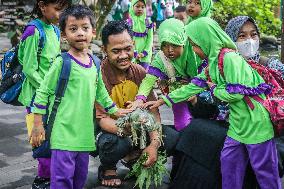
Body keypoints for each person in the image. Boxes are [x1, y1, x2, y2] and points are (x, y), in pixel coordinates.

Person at [144, 17, 282, 189]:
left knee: (264, 170)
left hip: (256, 123)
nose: (193, 50)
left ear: (206, 40)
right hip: (238, 124)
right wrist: (162, 101)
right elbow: (194, 85)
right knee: (229, 162)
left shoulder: (230, 58)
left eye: (195, 44)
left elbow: (237, 92)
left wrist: (215, 89)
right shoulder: (214, 62)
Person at [30, 5, 131, 189]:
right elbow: (43, 92)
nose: (80, 33)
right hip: (63, 134)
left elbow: (101, 93)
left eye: (85, 28)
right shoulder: (62, 62)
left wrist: (116, 111)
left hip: (84, 136)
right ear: (63, 34)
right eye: (73, 28)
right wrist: (37, 124)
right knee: (61, 180)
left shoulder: (95, 63)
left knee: (80, 178)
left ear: (93, 32)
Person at [95, 20, 179, 187]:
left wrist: (154, 144)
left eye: (128, 49)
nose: (124, 55)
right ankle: (108, 167)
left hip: (143, 129)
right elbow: (102, 119)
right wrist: (129, 128)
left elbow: (153, 111)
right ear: (104, 50)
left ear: (133, 45)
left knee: (171, 138)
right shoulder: (98, 76)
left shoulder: (140, 72)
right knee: (111, 143)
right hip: (115, 131)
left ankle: (137, 158)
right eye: (116, 51)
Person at [17, 0, 69, 188]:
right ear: (42, 6)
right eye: (57, 9)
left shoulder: (54, 30)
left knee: (53, 134)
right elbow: (29, 69)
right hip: (35, 95)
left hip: (51, 94)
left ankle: (52, 175)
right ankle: (43, 177)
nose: (60, 14)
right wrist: (47, 89)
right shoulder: (33, 31)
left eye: (64, 10)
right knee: (40, 137)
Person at [129, 18, 201, 131]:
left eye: (175, 45)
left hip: (200, 93)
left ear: (183, 41)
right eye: (165, 45)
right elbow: (148, 80)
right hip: (175, 95)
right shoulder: (160, 59)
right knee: (183, 124)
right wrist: (140, 99)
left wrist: (193, 83)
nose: (170, 50)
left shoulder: (196, 52)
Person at [127, 0, 154, 69]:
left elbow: (150, 38)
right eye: (137, 6)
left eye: (142, 7)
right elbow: (128, 38)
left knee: (144, 73)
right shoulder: (129, 22)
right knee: (132, 73)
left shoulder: (148, 22)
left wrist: (145, 52)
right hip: (132, 52)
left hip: (145, 54)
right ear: (132, 7)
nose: (140, 9)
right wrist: (135, 52)